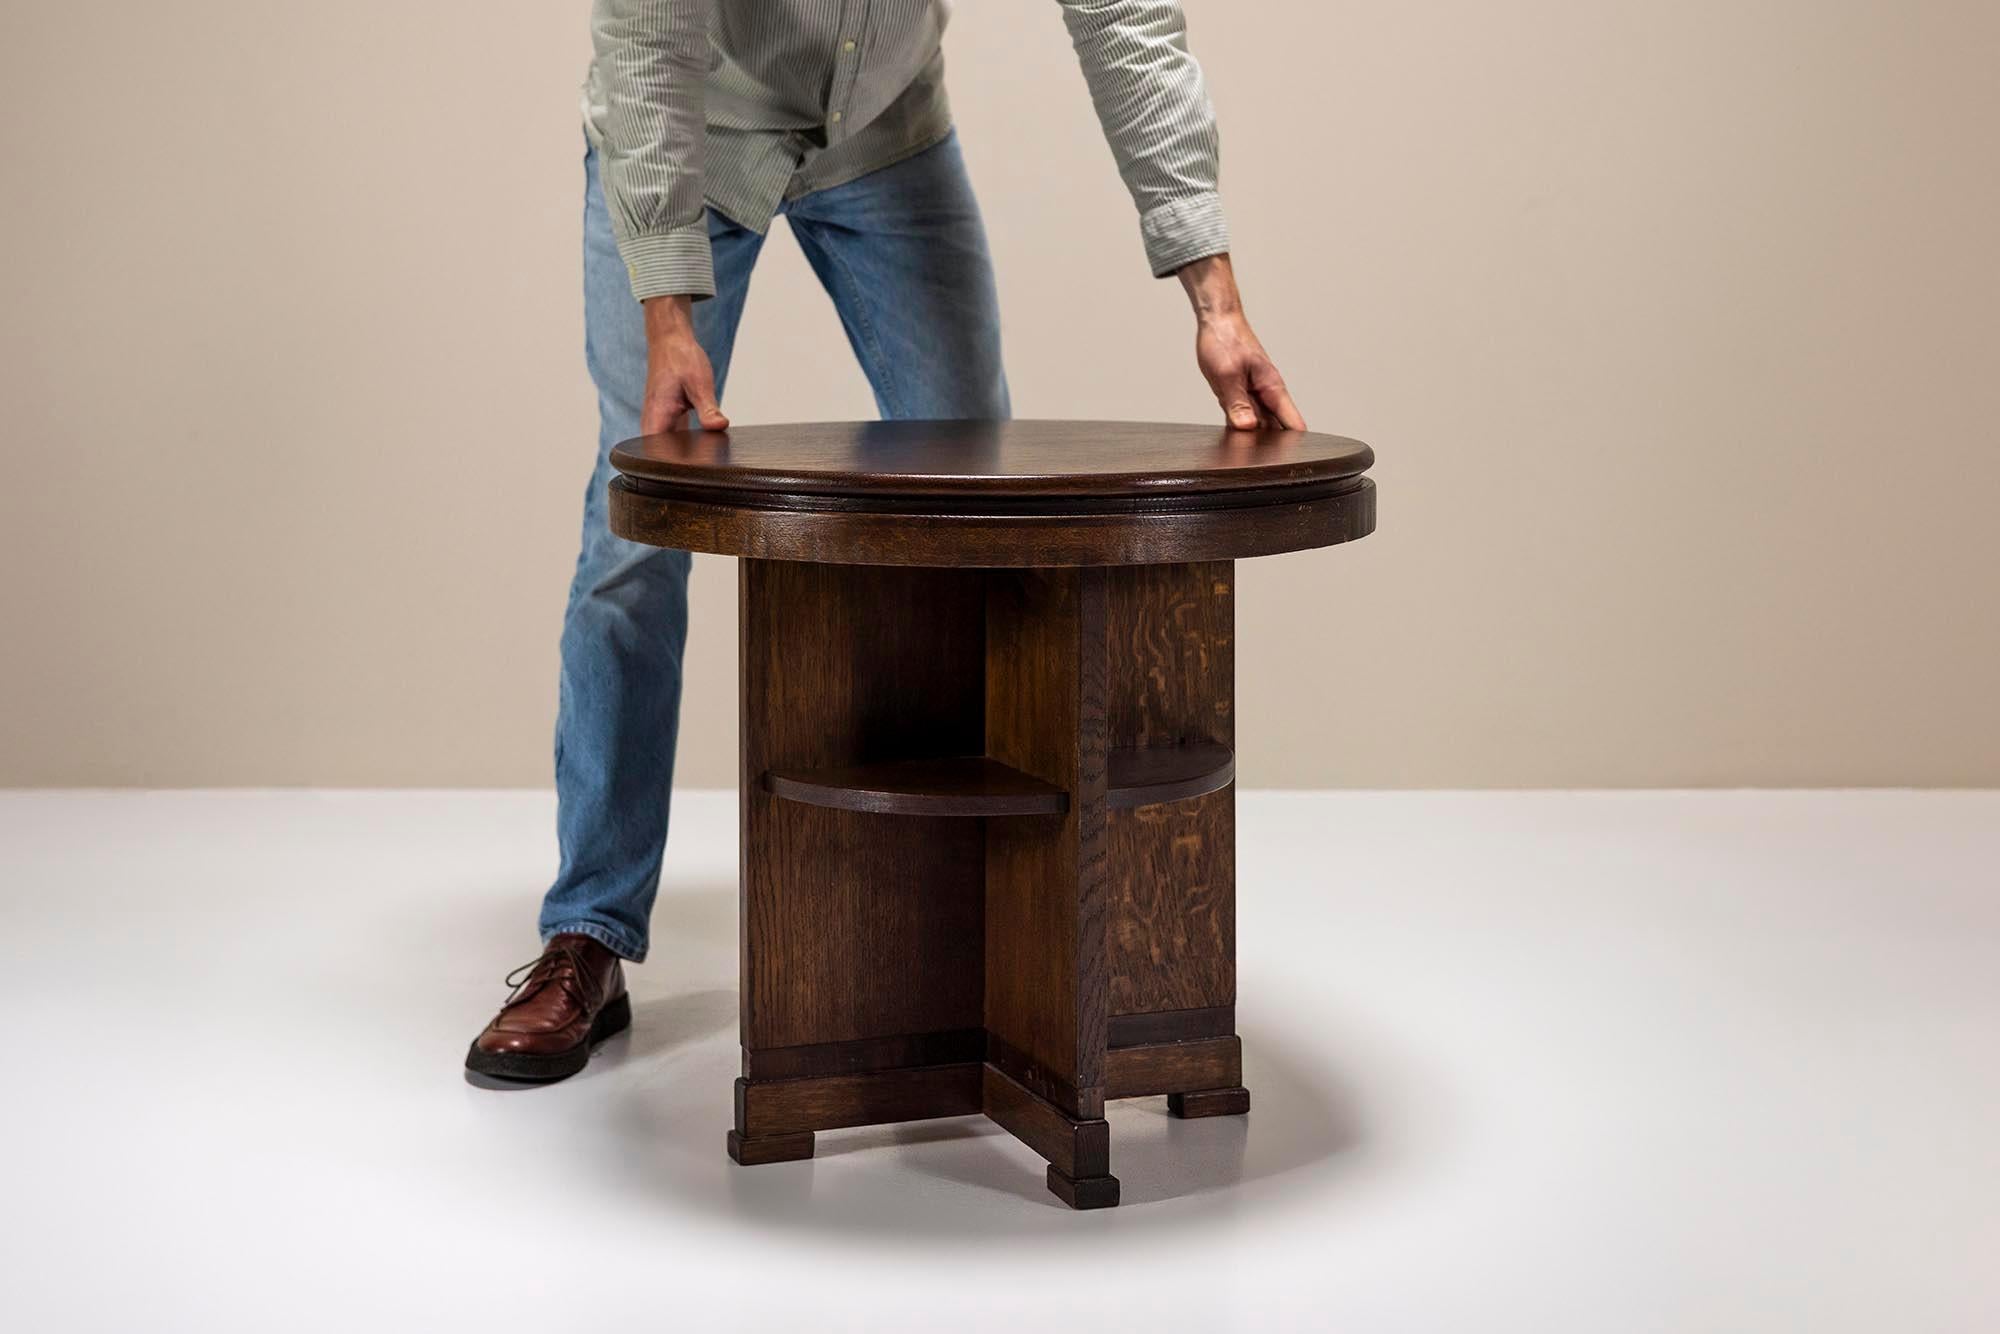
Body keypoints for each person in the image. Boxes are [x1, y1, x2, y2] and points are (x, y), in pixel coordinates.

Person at [467, 0, 1305, 1082]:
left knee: (976, 508)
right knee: (636, 523)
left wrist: (1215, 297)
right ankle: (586, 933)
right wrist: (666, 313)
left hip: (881, 129)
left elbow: (1124, 17)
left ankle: (981, 926)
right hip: (692, 134)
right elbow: (643, 37)